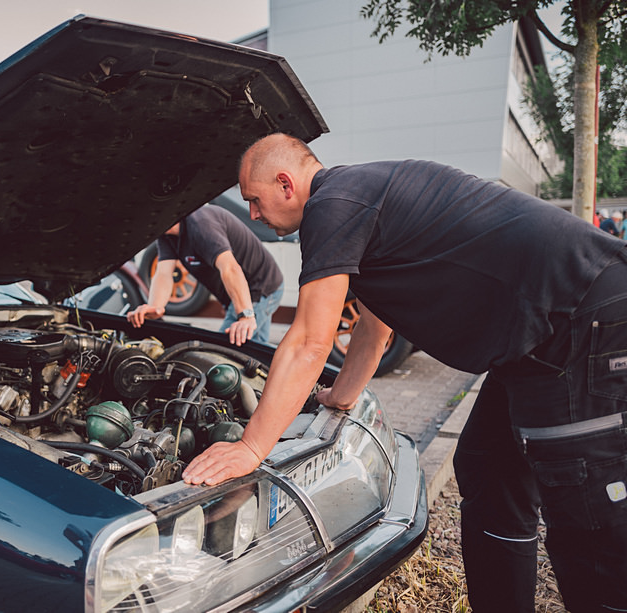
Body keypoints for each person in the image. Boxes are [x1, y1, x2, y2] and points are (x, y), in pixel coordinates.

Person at [182, 132, 627, 612]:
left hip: (581, 318)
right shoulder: (359, 200)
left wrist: (251, 448)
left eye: (254, 199)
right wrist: (341, 396)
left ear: (286, 185)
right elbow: (375, 328)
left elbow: (310, 340)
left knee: (587, 513)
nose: (252, 215)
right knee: (488, 469)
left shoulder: (331, 205)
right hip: (534, 341)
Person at [127, 205, 283, 345]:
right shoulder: (166, 235)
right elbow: (163, 273)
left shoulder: (201, 225)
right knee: (256, 349)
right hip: (243, 293)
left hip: (261, 287)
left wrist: (246, 315)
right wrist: (155, 307)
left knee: (223, 350)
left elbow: (230, 268)